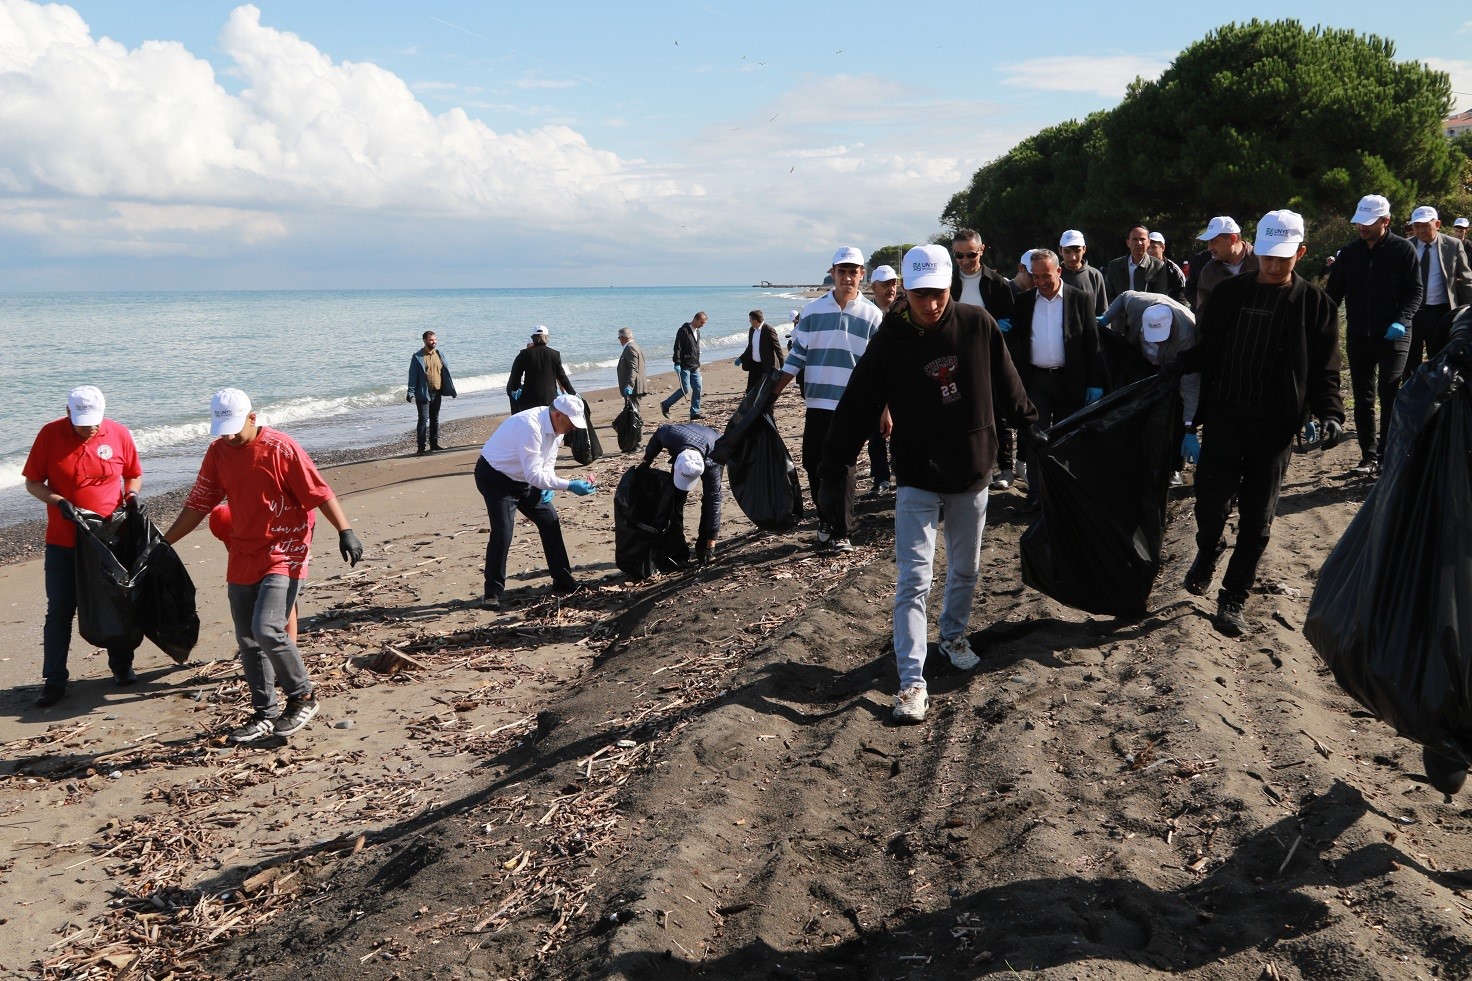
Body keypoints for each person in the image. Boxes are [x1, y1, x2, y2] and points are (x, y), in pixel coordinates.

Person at [817, 244, 1038, 723]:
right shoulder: (891, 339)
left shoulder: (977, 325)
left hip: (972, 470)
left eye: (937, 293)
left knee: (965, 569)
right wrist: (834, 458)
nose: (931, 303)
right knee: (913, 579)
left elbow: (1009, 384)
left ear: (949, 286)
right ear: (907, 292)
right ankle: (912, 681)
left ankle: (954, 636)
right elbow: (858, 403)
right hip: (917, 474)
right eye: (920, 294)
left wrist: (1032, 425)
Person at [1175, 210, 1344, 637]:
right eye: (1267, 256)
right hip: (1225, 416)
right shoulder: (1229, 294)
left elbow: (1325, 370)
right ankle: (1209, 547)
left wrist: (1330, 412)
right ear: (1257, 249)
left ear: (1300, 253)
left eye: (1283, 258)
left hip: (1273, 426)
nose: (1272, 265)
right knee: (1210, 504)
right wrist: (1174, 367)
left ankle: (1233, 596)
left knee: (1257, 517)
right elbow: (1206, 347)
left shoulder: (1315, 304)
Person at [163, 389, 364, 743]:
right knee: (247, 637)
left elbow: (320, 492)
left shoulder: (281, 448)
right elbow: (198, 504)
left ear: (252, 418)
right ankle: (264, 713)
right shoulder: (218, 452)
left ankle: (303, 697)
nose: (228, 436)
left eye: (234, 428)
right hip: (244, 550)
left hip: (286, 547)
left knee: (267, 627)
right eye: (222, 429)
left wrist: (345, 530)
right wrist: (163, 545)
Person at [23, 386, 143, 706]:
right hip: (63, 540)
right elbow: (33, 482)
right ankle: (54, 679)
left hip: (108, 538)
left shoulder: (118, 434)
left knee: (115, 601)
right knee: (60, 609)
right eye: (81, 421)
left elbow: (133, 475)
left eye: (94, 421)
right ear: (67, 412)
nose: (89, 427)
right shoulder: (49, 436)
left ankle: (121, 666)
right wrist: (58, 501)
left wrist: (130, 496)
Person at [773, 247, 884, 552]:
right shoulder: (812, 312)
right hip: (818, 401)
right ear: (832, 273)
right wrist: (772, 394)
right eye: (842, 271)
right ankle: (825, 519)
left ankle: (842, 532)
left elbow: (880, 367)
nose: (848, 277)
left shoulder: (873, 315)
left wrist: (886, 410)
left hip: (853, 405)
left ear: (862, 275)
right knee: (813, 462)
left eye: (854, 272)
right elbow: (797, 357)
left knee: (844, 467)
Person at [1324, 194, 1422, 476]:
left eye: (1368, 223)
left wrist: (1402, 320)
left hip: (1394, 334)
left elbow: (1415, 291)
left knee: (1389, 391)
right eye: (1359, 223)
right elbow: (1333, 295)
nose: (1362, 228)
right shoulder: (1349, 254)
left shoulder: (1403, 250)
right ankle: (1368, 456)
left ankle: (1388, 453)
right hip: (1359, 334)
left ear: (1386, 221)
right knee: (1363, 396)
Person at [1002, 249, 1106, 507]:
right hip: (1035, 381)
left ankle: (1063, 493)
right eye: (1035, 277)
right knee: (1036, 438)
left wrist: (1095, 381)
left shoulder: (1080, 299)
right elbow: (1015, 337)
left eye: (1045, 276)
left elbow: (1093, 344)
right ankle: (1037, 494)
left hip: (1069, 380)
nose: (1040, 282)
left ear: (1058, 271)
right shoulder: (1025, 302)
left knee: (1066, 438)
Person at [474, 393, 596, 609]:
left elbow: (546, 464)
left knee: (549, 519)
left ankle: (563, 579)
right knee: (503, 531)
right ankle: (492, 592)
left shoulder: (558, 429)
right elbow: (533, 475)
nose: (573, 428)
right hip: (495, 477)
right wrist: (568, 485)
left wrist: (548, 485)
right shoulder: (529, 426)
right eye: (571, 423)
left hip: (523, 479)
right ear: (558, 414)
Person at [1098, 292, 1201, 484]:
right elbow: (1123, 297)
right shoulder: (1139, 304)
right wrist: (1107, 317)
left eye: (1161, 338)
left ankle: (1173, 467)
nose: (1157, 341)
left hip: (1172, 366)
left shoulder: (1187, 337)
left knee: (1173, 411)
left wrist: (1190, 427)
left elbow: (1191, 387)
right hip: (1142, 359)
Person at [1403, 205, 1472, 378]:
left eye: (1426, 226)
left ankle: (1436, 401)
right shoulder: (1405, 247)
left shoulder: (1452, 245)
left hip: (1440, 313)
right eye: (1416, 227)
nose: (1421, 231)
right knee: (1409, 363)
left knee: (1439, 361)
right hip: (1412, 313)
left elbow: (1465, 279)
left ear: (1438, 224)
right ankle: (1410, 399)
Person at [641, 422, 723, 565]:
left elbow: (714, 502)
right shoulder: (669, 435)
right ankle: (675, 548)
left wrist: (711, 544)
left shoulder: (714, 461)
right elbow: (657, 437)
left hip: (713, 444)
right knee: (675, 500)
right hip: (684, 439)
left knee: (710, 500)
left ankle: (704, 549)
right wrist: (647, 461)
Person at [865, 266, 901, 495]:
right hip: (873, 384)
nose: (891, 288)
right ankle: (881, 479)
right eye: (885, 284)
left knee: (901, 435)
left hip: (899, 384)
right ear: (873, 287)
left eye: (893, 283)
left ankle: (903, 476)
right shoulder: (866, 314)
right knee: (875, 436)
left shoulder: (903, 311)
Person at [1192, 217, 1259, 311]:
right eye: (1209, 242)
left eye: (1214, 242)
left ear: (1232, 239)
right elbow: (1202, 314)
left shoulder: (1263, 262)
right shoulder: (1208, 272)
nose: (1209, 248)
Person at [407, 330, 456, 455]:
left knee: (435, 419)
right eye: (431, 340)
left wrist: (451, 389)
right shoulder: (417, 357)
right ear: (425, 341)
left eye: (435, 339)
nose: (433, 342)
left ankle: (434, 444)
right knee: (423, 419)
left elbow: (445, 373)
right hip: (423, 393)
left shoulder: (440, 355)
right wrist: (410, 391)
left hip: (437, 392)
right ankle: (421, 448)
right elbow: (412, 376)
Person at [507, 326, 576, 414]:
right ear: (546, 338)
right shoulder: (555, 354)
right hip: (550, 399)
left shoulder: (524, 354)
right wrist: (573, 393)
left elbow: (515, 376)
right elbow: (562, 377)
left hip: (529, 401)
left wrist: (514, 391)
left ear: (533, 338)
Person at [948, 229, 1015, 319]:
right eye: (959, 255)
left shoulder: (998, 283)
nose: (965, 261)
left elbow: (1010, 317)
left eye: (971, 255)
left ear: (982, 250)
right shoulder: (946, 282)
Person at [1104, 225, 1181, 301]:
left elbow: (1160, 297)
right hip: (1120, 311)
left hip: (1147, 311)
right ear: (1128, 243)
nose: (1139, 243)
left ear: (1148, 242)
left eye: (1142, 239)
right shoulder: (1115, 266)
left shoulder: (1158, 266)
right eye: (1135, 239)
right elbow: (1108, 295)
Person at [660, 312, 706, 420]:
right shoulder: (683, 330)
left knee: (698, 387)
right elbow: (677, 347)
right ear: (695, 319)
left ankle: (694, 412)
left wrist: (698, 361)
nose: (702, 325)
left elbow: (696, 348)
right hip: (684, 365)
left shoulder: (697, 332)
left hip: (695, 365)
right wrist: (677, 362)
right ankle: (666, 404)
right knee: (685, 389)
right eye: (701, 322)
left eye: (704, 323)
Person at [1058, 230, 1107, 316]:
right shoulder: (1054, 275)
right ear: (1060, 250)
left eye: (1077, 251)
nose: (1072, 257)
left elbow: (1102, 311)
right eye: (1067, 252)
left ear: (1084, 249)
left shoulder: (1095, 275)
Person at [735, 309, 784, 393]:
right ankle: (750, 406)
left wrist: (782, 365)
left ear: (755, 320)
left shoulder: (769, 330)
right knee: (750, 389)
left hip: (767, 366)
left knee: (767, 391)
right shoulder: (752, 330)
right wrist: (741, 358)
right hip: (754, 365)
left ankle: (767, 406)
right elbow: (750, 347)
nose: (749, 321)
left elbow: (777, 348)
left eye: (750, 319)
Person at [1147, 231, 1188, 299]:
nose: (1150, 251)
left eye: (1153, 247)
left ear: (1162, 248)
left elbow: (1181, 293)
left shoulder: (1173, 269)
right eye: (1148, 248)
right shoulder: (1141, 267)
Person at [616, 327, 646, 401]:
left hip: (634, 388)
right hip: (635, 387)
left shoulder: (630, 348)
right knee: (631, 410)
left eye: (619, 338)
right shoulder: (634, 346)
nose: (619, 340)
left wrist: (630, 385)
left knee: (634, 410)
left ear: (622, 338)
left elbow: (633, 367)